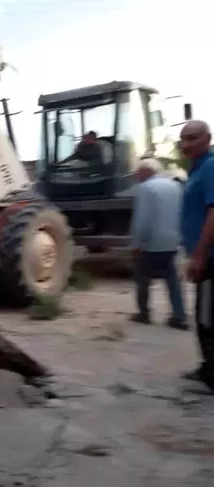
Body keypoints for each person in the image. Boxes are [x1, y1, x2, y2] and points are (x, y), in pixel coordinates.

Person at [129, 158, 187, 329]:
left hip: (152, 242)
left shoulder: (146, 188)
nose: (137, 176)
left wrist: (137, 243)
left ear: (146, 171)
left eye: (138, 172)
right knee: (173, 280)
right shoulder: (175, 186)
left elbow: (143, 220)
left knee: (142, 278)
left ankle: (144, 313)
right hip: (173, 241)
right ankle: (179, 315)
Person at [179, 120, 214, 385]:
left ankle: (211, 377)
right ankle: (206, 368)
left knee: (207, 317)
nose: (187, 144)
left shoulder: (211, 166)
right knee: (204, 314)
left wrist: (200, 255)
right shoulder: (197, 168)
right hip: (204, 255)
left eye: (193, 138)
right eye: (183, 138)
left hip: (211, 258)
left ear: (207, 138)